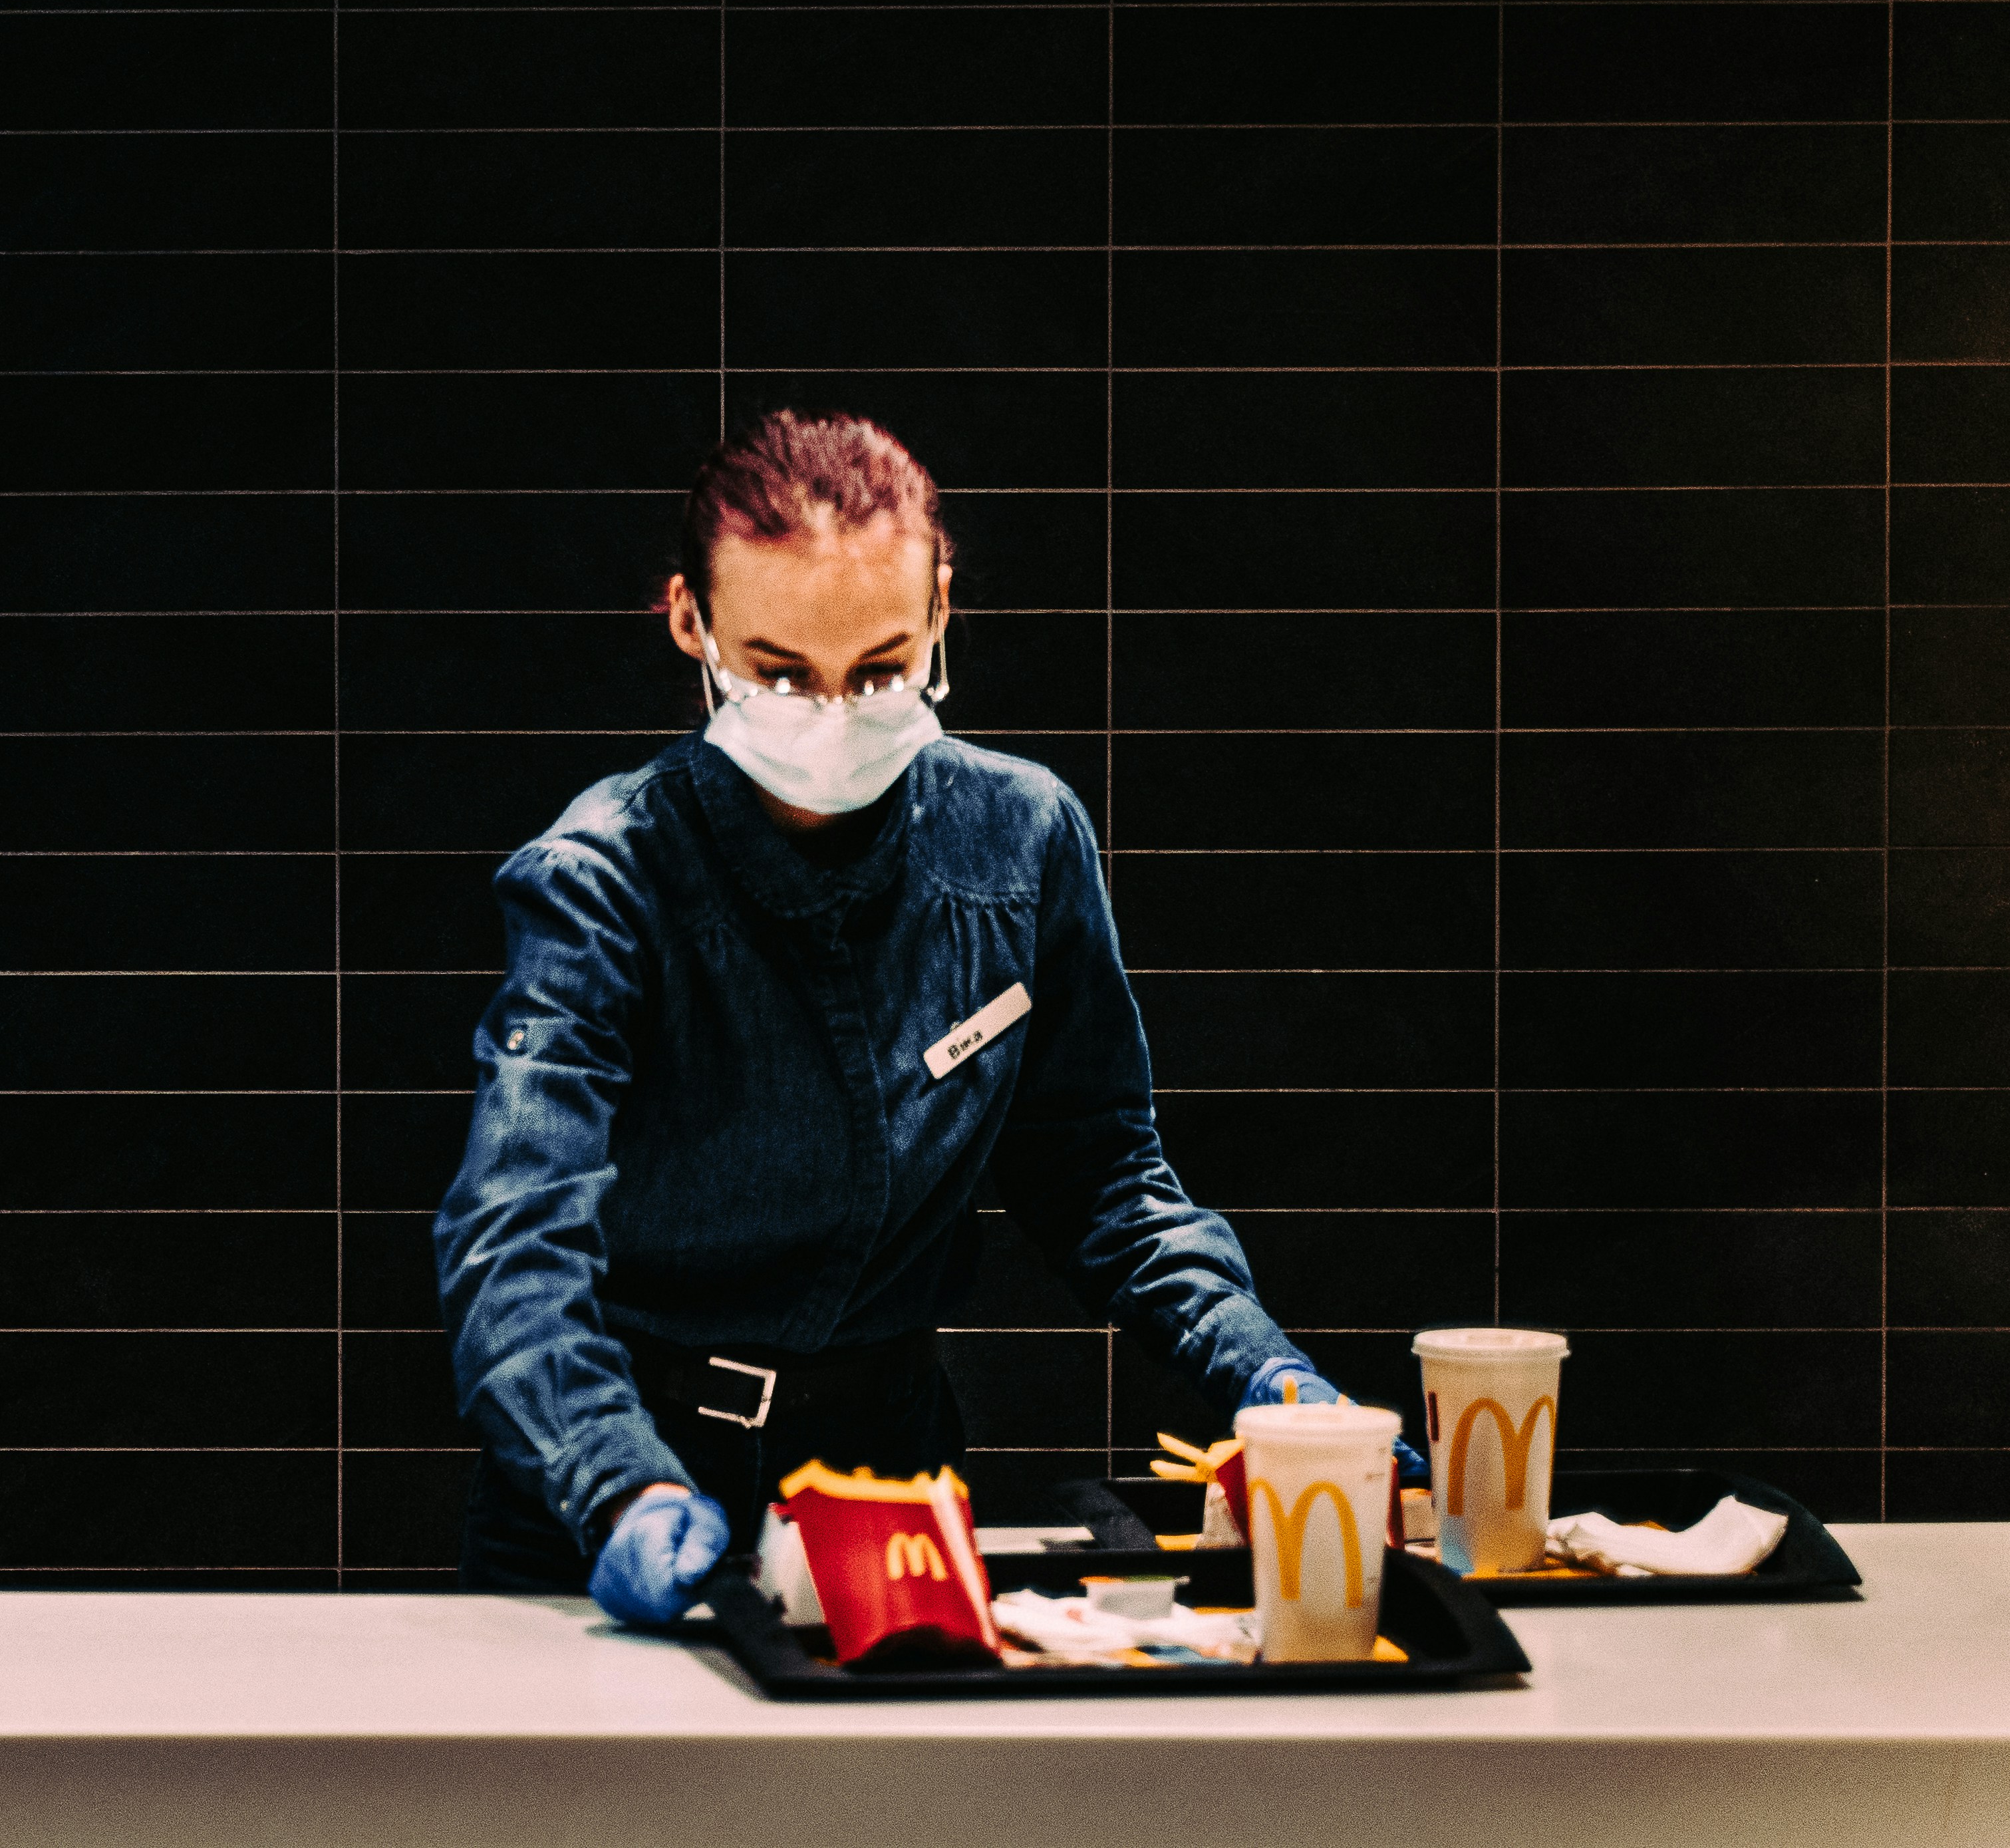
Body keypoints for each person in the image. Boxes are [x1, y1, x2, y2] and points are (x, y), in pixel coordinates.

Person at [433, 410, 1406, 1624]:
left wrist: (1260, 1370)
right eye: (780, 672)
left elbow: (1100, 1175)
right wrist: (612, 1484)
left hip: (882, 1484)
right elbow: (512, 1245)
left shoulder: (1021, 837)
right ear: (690, 622)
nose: (831, 716)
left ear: (942, 609)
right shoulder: (600, 878)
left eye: (881, 668)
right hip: (613, 1473)